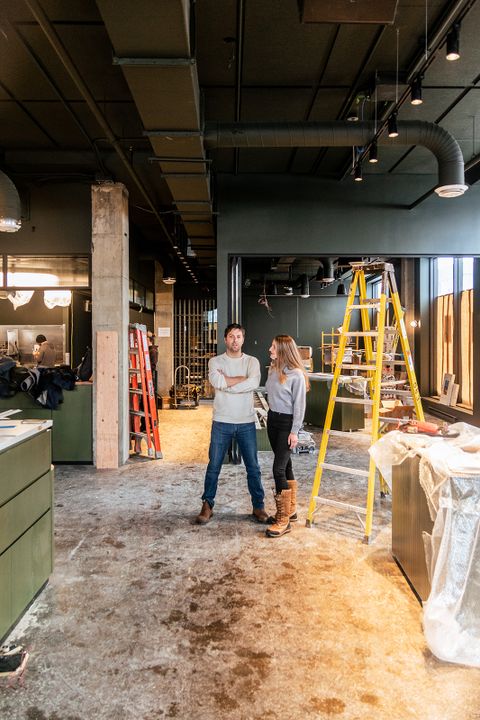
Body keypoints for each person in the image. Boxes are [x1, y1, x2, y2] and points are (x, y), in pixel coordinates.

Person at [195, 323, 268, 525]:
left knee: (253, 467)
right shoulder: (215, 361)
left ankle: (258, 506)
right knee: (214, 466)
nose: (235, 340)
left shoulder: (252, 362)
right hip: (221, 421)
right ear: (225, 339)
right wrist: (239, 382)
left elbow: (253, 384)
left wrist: (228, 384)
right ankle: (207, 505)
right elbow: (217, 383)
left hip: (245, 421)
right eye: (231, 336)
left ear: (243, 339)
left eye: (238, 336)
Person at [265, 334, 309, 538]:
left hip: (286, 424)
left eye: (274, 347)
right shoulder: (274, 369)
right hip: (272, 420)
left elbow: (299, 406)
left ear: (283, 350)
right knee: (287, 466)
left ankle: (283, 520)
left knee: (278, 469)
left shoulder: (297, 375)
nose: (270, 350)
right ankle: (290, 511)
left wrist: (295, 431)